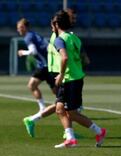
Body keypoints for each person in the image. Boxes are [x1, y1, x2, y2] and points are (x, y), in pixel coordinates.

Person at [23, 9, 86, 138]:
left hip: (56, 71)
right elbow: (64, 55)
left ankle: (68, 133)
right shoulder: (61, 35)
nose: (73, 20)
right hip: (59, 72)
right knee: (62, 104)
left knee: (61, 104)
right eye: (71, 18)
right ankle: (68, 133)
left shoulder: (59, 34)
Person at [52, 10, 106, 148]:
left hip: (70, 79)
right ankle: (70, 139)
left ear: (57, 24)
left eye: (53, 24)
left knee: (72, 113)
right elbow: (84, 59)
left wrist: (62, 74)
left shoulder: (59, 39)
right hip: (74, 78)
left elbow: (64, 57)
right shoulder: (74, 38)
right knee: (59, 109)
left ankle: (99, 131)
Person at [17, 18, 54, 112]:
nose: (18, 30)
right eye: (18, 28)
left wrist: (23, 52)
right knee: (56, 91)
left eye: (20, 27)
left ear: (25, 27)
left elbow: (33, 51)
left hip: (44, 65)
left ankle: (42, 108)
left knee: (32, 85)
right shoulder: (33, 34)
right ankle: (73, 105)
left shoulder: (28, 37)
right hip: (49, 65)